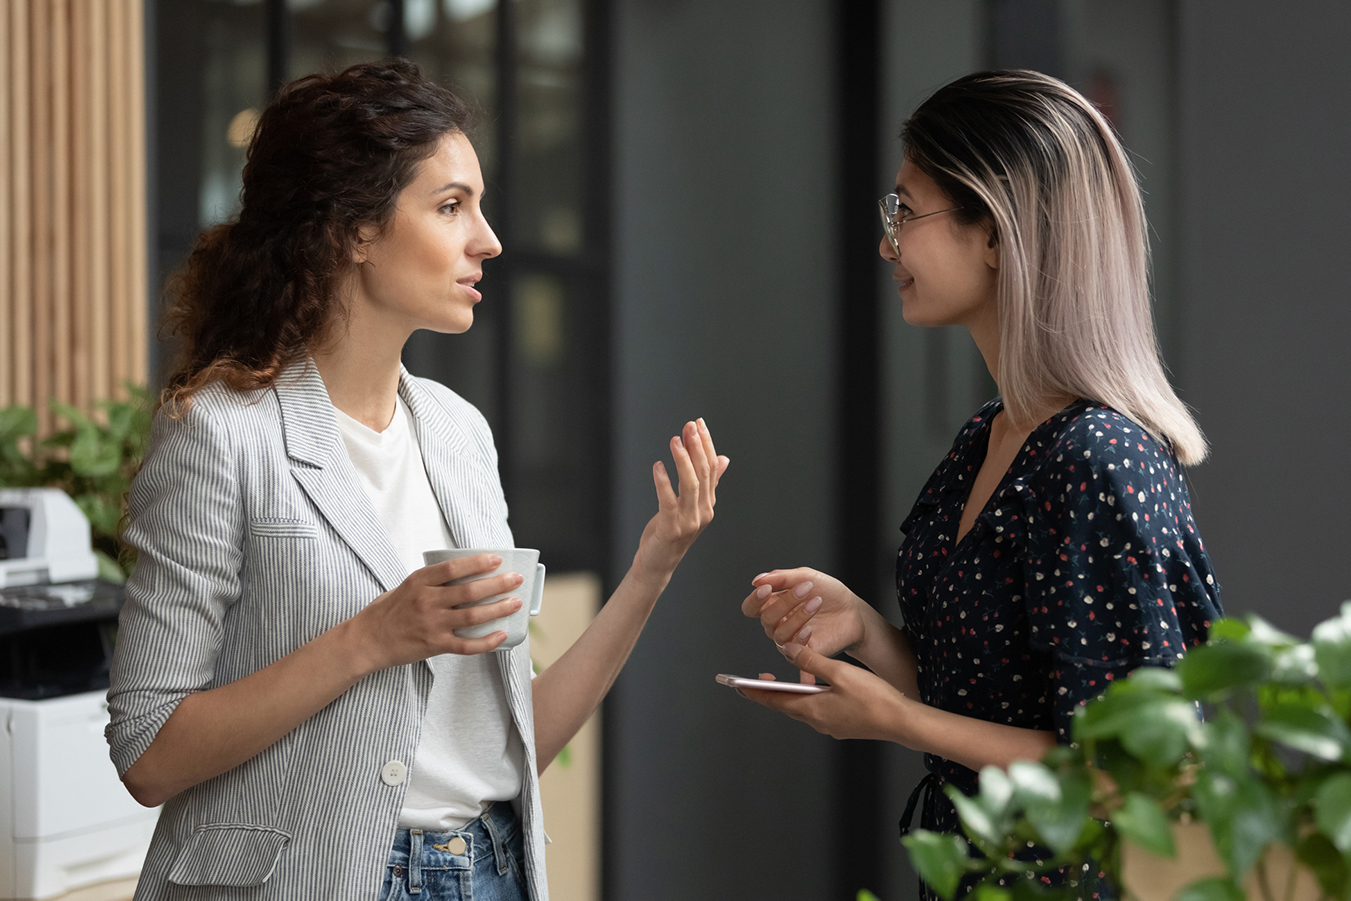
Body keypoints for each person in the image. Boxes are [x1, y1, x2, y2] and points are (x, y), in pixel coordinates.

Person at [106, 59, 728, 901]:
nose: (489, 239)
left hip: (490, 873)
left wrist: (653, 564)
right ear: (352, 232)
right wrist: (374, 635)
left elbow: (513, 746)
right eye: (450, 206)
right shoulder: (220, 434)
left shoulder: (459, 432)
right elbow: (147, 753)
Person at [736, 70, 1221, 899]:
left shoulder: (1100, 459)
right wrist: (864, 630)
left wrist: (894, 721)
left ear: (996, 232)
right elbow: (993, 699)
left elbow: (1135, 777)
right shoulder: (988, 436)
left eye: (904, 212)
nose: (887, 245)